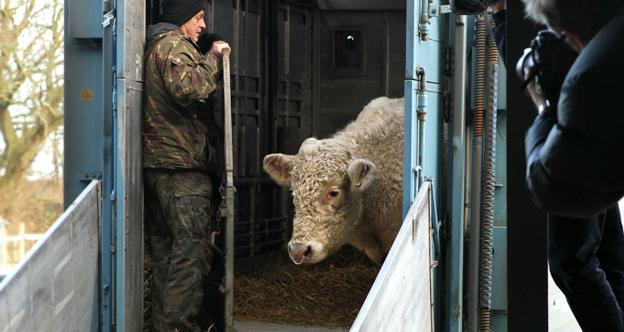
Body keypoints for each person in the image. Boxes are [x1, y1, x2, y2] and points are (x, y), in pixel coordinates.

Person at [521, 0, 624, 330]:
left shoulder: (590, 81)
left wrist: (544, 106)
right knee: (607, 255)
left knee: (573, 261)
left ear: (572, 32)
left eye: (560, 36)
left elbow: (552, 186)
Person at [142, 0, 230, 330]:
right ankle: (178, 327)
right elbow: (188, 88)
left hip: (162, 167)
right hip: (182, 169)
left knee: (167, 255)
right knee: (190, 255)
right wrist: (214, 58)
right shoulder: (173, 46)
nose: (203, 26)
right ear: (181, 21)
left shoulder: (157, 46)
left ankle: (165, 327)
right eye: (197, 18)